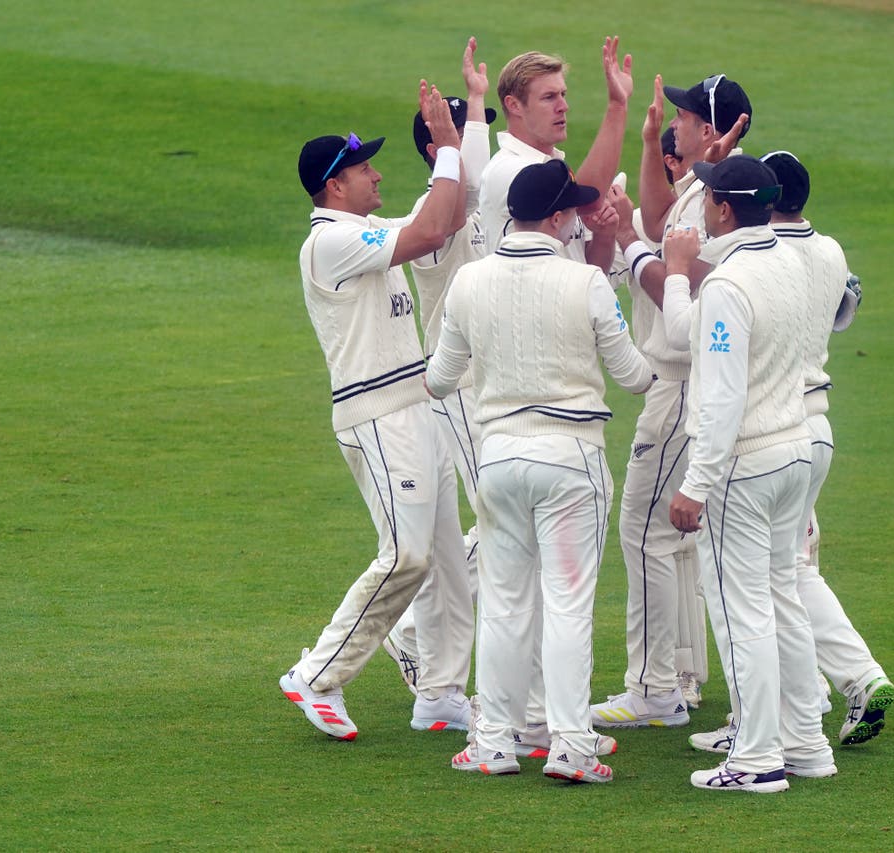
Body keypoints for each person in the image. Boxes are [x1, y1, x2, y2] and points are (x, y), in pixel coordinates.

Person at [426, 159, 653, 782]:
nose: (580, 216)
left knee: (502, 606)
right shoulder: (585, 284)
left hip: (498, 459)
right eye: (573, 209)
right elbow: (635, 377)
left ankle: (494, 744)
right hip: (571, 459)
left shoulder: (470, 282)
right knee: (567, 605)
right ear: (554, 217)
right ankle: (571, 746)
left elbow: (439, 379)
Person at [278, 82, 472, 741]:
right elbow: (426, 230)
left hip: (415, 410)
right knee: (407, 556)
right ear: (335, 185)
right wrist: (445, 143)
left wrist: (454, 144)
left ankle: (441, 691)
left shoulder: (362, 229)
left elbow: (441, 222)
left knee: (447, 562)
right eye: (364, 169)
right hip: (378, 417)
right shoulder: (328, 243)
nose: (377, 174)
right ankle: (317, 673)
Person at [666, 155, 835, 792]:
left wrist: (696, 483)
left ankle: (757, 758)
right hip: (796, 449)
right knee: (783, 598)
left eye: (708, 196)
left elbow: (722, 398)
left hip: (748, 461)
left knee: (743, 613)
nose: (703, 205)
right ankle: (807, 744)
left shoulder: (729, 285)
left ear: (724, 209)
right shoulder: (791, 262)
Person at [590, 73, 751, 729]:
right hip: (686, 384)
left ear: (710, 129)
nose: (675, 123)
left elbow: (674, 277)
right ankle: (677, 677)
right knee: (674, 538)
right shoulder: (707, 184)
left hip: (681, 383)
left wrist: (629, 247)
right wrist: (650, 137)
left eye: (683, 115)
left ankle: (656, 688)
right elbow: (659, 216)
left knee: (647, 533)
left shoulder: (722, 195)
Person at [761, 150, 893, 745]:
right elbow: (844, 314)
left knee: (769, 576)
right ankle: (857, 677)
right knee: (788, 568)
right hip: (818, 428)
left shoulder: (764, 256)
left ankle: (830, 688)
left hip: (774, 432)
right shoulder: (831, 249)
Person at [382, 38, 495, 712]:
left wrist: (477, 104)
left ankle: (418, 642)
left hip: (491, 383)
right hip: (458, 388)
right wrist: (471, 116)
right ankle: (405, 631)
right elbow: (470, 184)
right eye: (450, 134)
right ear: (433, 149)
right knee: (504, 523)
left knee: (480, 529)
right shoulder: (432, 219)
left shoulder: (475, 201)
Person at [478, 38, 633, 272]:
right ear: (514, 105)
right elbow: (591, 201)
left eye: (563, 94)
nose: (563, 106)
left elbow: (590, 269)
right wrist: (617, 106)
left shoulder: (553, 165)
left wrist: (603, 235)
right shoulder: (507, 171)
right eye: (549, 97)